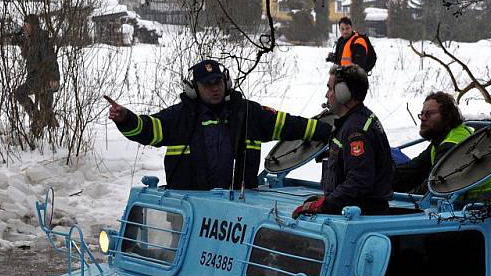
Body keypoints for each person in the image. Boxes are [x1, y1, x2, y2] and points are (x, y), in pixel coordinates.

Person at [106, 59, 331, 191]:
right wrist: (126, 119)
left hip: (237, 212)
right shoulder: (180, 117)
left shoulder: (248, 113)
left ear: (227, 82)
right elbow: (147, 130)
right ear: (194, 88)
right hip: (189, 209)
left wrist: (329, 130)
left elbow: (289, 125)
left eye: (218, 82)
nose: (215, 88)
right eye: (207, 84)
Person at [293, 64, 393, 218]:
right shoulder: (358, 121)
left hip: (359, 217)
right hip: (355, 213)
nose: (327, 95)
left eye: (330, 89)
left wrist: (323, 205)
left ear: (343, 94)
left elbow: (358, 181)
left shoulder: (355, 130)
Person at [392, 91, 491, 209]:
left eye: (429, 114)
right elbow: (412, 169)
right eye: (422, 114)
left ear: (447, 117)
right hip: (473, 209)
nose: (423, 118)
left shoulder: (452, 144)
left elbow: (433, 187)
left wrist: (399, 202)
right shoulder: (443, 139)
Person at [13, 14, 60, 139]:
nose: (24, 27)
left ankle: (38, 119)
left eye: (26, 25)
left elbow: (50, 59)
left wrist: (54, 78)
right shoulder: (31, 39)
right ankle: (53, 135)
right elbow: (27, 53)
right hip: (37, 78)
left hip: (42, 78)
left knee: (20, 93)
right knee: (47, 111)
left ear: (32, 26)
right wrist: (18, 38)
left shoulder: (41, 38)